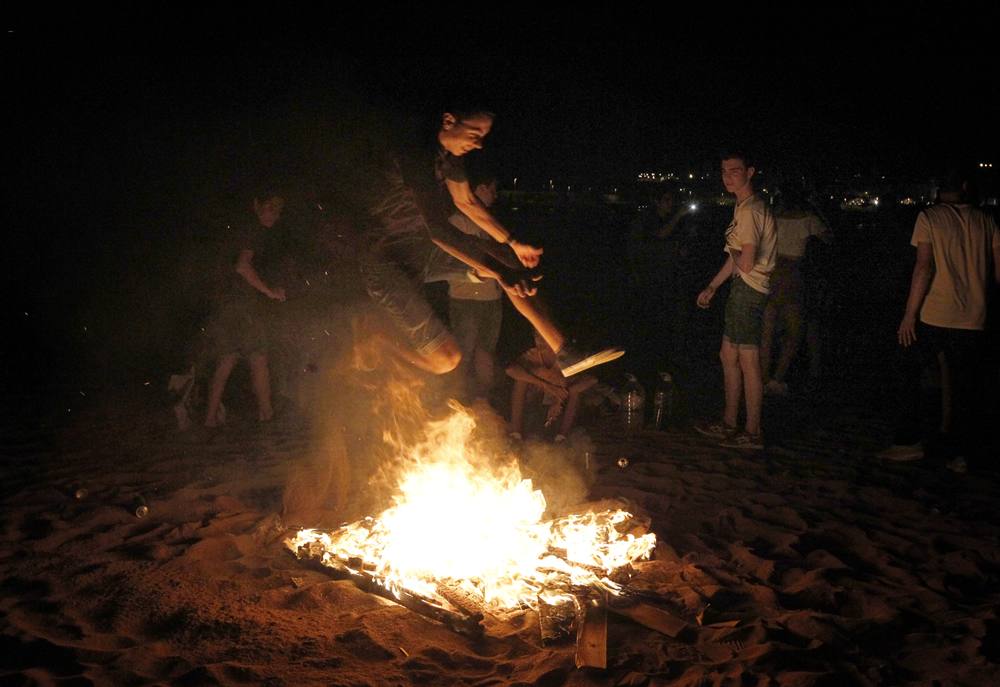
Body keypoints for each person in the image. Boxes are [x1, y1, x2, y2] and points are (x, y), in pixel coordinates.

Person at [356, 105, 623, 378]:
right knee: (446, 360)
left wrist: (513, 243)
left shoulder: (449, 157)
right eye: (475, 132)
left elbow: (467, 201)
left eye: (484, 135)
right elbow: (439, 230)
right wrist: (498, 273)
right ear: (449, 121)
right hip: (388, 264)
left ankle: (565, 351)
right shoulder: (415, 152)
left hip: (424, 252)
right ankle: (380, 344)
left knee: (511, 262)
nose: (480, 143)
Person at [881, 165, 1000, 471]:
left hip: (935, 314)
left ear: (939, 189)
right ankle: (959, 452)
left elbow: (923, 268)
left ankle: (909, 441)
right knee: (965, 384)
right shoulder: (987, 220)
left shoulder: (930, 218)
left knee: (906, 368)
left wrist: (909, 314)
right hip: (975, 316)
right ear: (964, 187)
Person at [694, 151, 777, 449]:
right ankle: (729, 422)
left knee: (748, 360)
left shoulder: (750, 210)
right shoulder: (744, 206)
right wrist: (713, 286)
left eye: (735, 170)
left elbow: (745, 261)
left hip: (749, 291)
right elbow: (736, 257)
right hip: (743, 289)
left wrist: (738, 257)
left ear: (750, 172)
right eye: (724, 171)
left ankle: (753, 431)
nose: (728, 176)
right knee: (728, 356)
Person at [203, 191, 287, 428]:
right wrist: (268, 292)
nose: (274, 215)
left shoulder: (241, 230)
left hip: (229, 306)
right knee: (258, 358)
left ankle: (209, 418)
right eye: (270, 208)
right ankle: (267, 413)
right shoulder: (254, 231)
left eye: (278, 210)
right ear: (257, 205)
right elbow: (242, 267)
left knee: (227, 359)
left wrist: (269, 287)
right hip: (244, 309)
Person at [760, 188, 830, 396]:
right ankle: (777, 378)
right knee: (794, 332)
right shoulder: (808, 220)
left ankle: (764, 379)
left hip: (772, 273)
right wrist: (816, 207)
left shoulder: (773, 217)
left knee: (767, 331)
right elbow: (829, 236)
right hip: (792, 275)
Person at [446, 175, 504, 401]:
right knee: (463, 353)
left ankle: (483, 404)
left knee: (485, 354)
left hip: (492, 300)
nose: (495, 195)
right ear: (479, 187)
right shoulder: (458, 222)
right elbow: (448, 263)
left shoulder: (490, 224)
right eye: (492, 189)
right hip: (465, 299)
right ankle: (455, 399)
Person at [506, 332, 598, 442]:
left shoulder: (565, 357)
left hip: (560, 401)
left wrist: (568, 388)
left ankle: (561, 438)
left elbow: (592, 379)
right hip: (534, 401)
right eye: (537, 337)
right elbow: (511, 370)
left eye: (544, 337)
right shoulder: (533, 355)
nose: (540, 342)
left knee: (575, 391)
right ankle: (515, 434)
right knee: (521, 380)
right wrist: (544, 384)